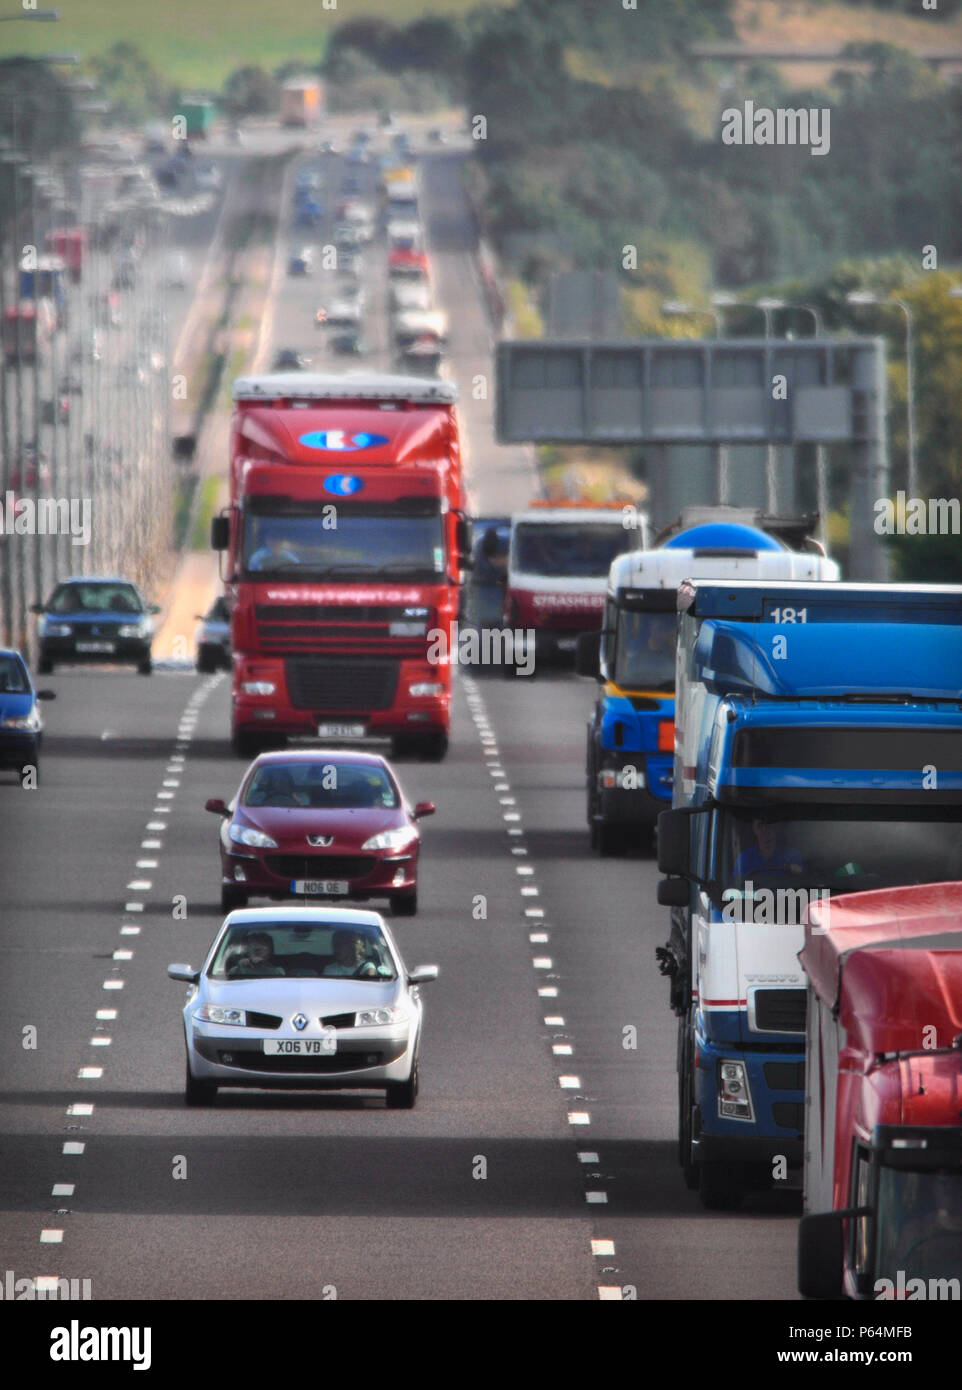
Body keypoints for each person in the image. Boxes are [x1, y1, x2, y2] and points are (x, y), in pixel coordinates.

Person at [733, 818, 804, 878]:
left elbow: (805, 883)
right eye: (760, 825)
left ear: (776, 828)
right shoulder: (743, 860)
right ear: (754, 830)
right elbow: (736, 888)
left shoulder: (792, 856)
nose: (765, 830)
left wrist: (798, 872)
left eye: (769, 824)